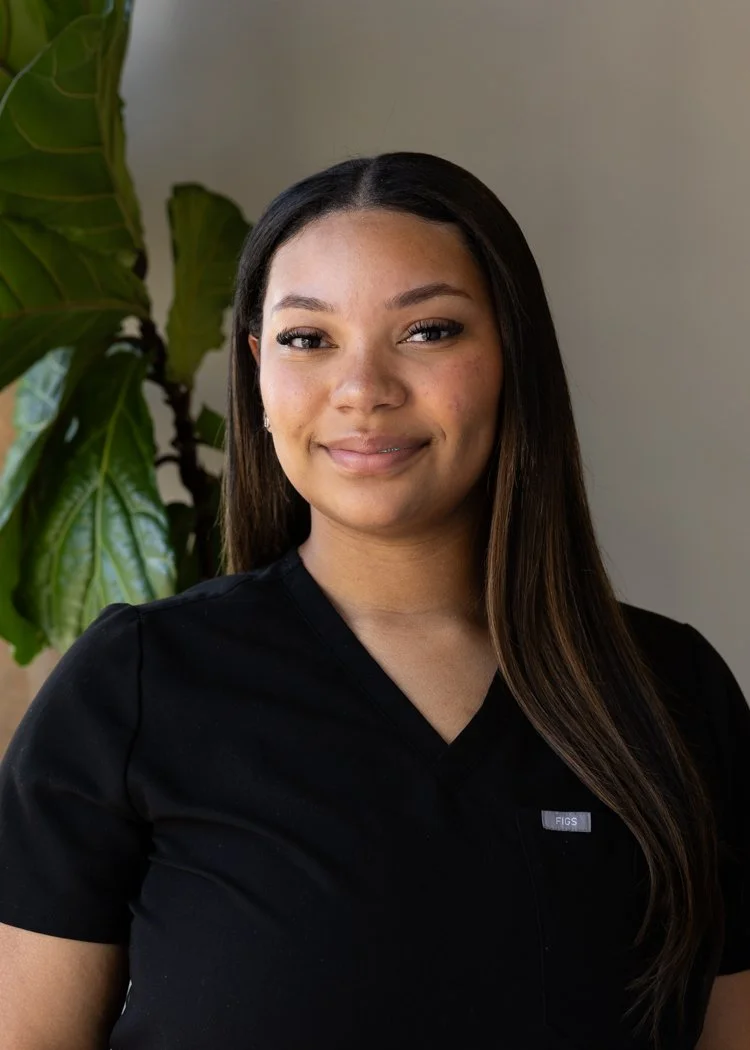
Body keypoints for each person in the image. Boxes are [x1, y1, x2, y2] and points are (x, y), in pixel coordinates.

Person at [0, 151, 747, 1050]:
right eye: (307, 339)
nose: (363, 391)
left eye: (429, 331)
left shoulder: (674, 696)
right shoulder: (135, 688)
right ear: (257, 375)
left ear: (514, 353)